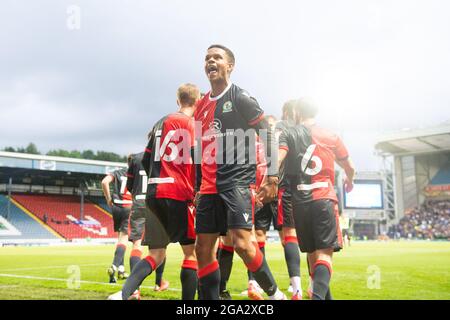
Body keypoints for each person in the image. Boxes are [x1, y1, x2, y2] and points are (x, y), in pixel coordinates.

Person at [194, 44, 286, 300]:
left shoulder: (241, 97)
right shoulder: (201, 105)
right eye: (207, 58)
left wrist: (272, 176)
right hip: (209, 187)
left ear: (230, 65)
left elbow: (267, 132)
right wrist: (197, 187)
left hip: (236, 181)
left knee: (243, 244)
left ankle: (276, 294)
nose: (210, 61)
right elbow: (200, 150)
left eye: (217, 57)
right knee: (203, 249)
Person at [108, 83, 201, 300]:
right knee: (191, 252)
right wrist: (198, 189)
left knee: (156, 254)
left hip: (153, 194)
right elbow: (198, 160)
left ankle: (122, 295)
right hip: (179, 193)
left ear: (178, 101)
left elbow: (147, 159)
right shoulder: (193, 125)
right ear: (197, 102)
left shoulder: (160, 123)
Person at [278, 98, 355, 300]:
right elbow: (350, 167)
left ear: (296, 113)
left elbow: (278, 158)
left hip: (299, 202)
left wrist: (268, 180)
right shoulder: (330, 135)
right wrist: (350, 179)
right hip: (323, 198)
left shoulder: (290, 133)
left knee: (312, 256)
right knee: (324, 256)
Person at [125, 152, 168, 296]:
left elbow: (129, 186)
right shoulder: (163, 155)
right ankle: (158, 283)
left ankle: (134, 290)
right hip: (156, 201)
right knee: (160, 246)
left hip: (138, 201)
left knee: (137, 245)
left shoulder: (135, 158)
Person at [101, 168, 132, 283]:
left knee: (120, 240)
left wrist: (108, 198)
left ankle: (121, 270)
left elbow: (104, 182)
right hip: (129, 206)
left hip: (116, 207)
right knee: (124, 239)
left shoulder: (117, 172)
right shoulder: (135, 172)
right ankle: (114, 267)